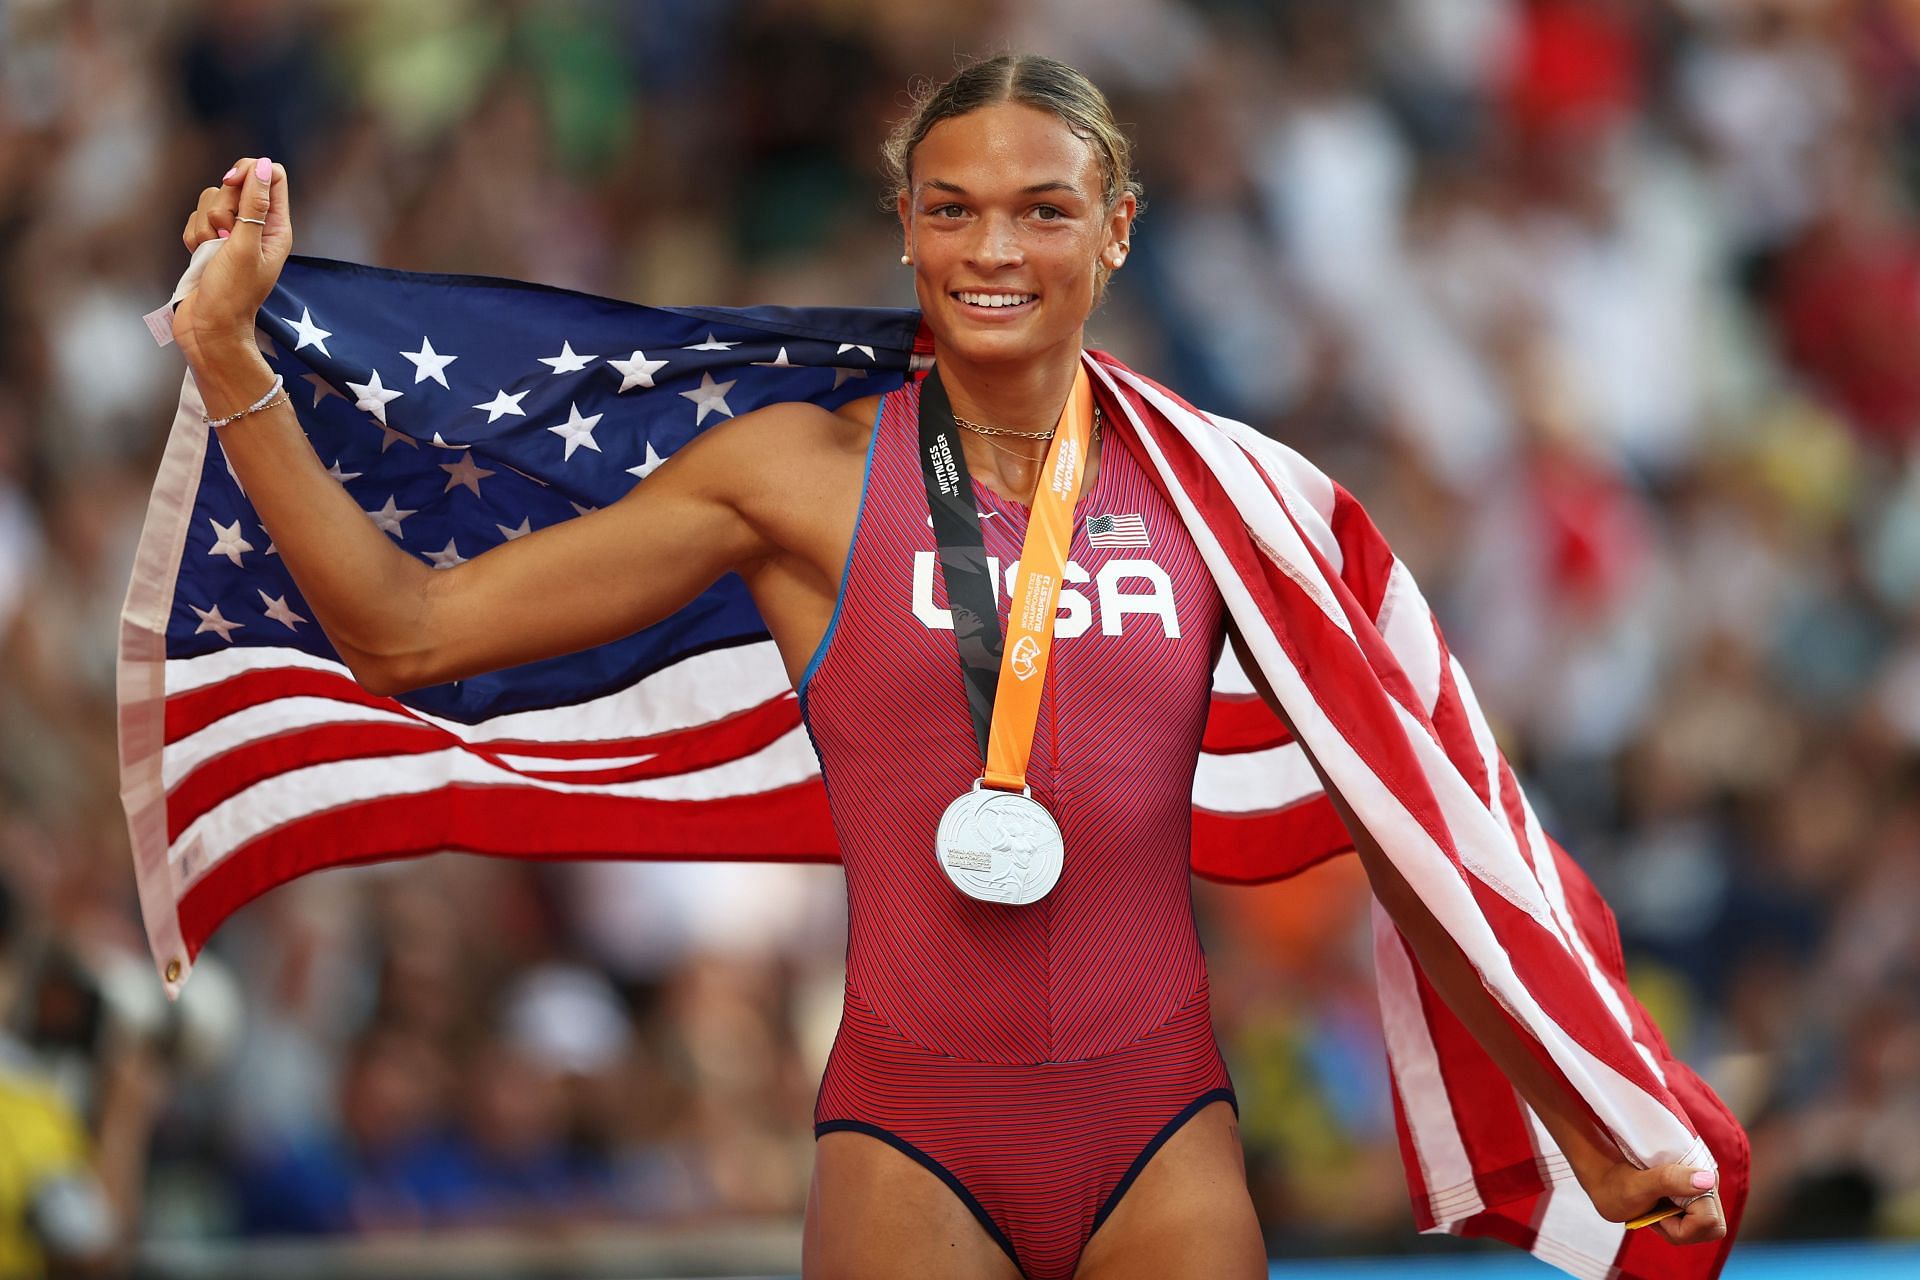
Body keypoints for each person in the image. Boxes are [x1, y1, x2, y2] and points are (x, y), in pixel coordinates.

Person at [171, 53, 1726, 1280]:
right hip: (911, 1144)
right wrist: (239, 365)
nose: (996, 247)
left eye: (1045, 208)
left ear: (1117, 230)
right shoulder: (791, 480)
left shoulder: (1230, 495)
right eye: (953, 207)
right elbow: (409, 632)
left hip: (1163, 1140)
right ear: (905, 225)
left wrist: (1585, 1117)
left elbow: (1418, 828)